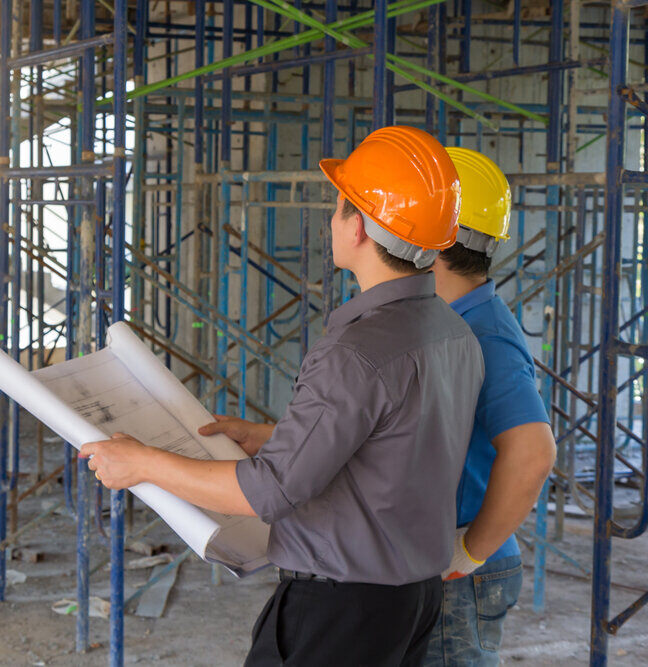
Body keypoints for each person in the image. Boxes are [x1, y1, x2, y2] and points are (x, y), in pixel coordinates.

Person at [80, 126, 485, 665]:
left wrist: (141, 463)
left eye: (340, 207)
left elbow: (267, 493)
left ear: (359, 226)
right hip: (412, 600)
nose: (331, 219)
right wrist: (274, 437)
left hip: (341, 611)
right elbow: (399, 442)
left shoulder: (358, 349)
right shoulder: (451, 332)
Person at [423, 147, 556, 666]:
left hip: (465, 571)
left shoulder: (484, 333)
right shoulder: (449, 320)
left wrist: (472, 549)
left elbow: (533, 453)